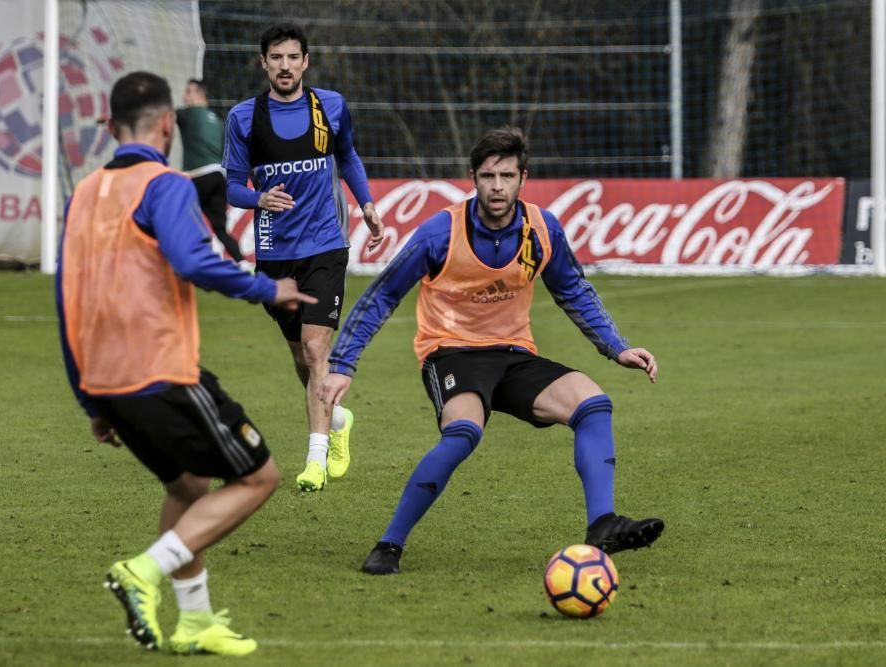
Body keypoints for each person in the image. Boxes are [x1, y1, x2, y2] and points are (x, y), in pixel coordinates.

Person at [319, 127, 665, 575]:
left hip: (514, 355)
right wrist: (343, 364)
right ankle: (389, 545)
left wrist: (616, 348)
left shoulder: (542, 229)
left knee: (593, 404)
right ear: (472, 178)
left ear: (524, 177)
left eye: (506, 175)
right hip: (451, 355)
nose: (496, 186)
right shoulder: (441, 231)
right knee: (463, 433)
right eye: (487, 176)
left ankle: (602, 525)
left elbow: (574, 291)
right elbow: (382, 295)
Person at [56, 71, 315, 654]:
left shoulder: (83, 193)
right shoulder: (164, 184)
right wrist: (266, 290)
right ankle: (144, 571)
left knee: (189, 485)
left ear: (109, 126)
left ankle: (193, 621)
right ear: (168, 124)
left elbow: (63, 299)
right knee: (259, 476)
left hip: (107, 380)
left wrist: (89, 400)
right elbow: (193, 261)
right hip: (162, 371)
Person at [223, 22, 384, 492]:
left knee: (317, 349)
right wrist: (259, 200)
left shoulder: (329, 106)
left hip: (326, 246)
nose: (285, 65)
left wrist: (368, 203)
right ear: (264, 64)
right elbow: (233, 185)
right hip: (275, 254)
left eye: (293, 57)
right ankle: (338, 422)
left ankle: (315, 458)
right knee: (301, 356)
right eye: (276, 58)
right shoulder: (243, 118)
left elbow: (348, 157)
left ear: (306, 61)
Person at [175, 78, 247, 268]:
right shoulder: (218, 122)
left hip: (200, 176)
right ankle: (242, 264)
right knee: (220, 229)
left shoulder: (188, 114)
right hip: (220, 177)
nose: (184, 96)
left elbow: (156, 117)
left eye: (188, 91)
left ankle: (185, 263)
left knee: (176, 216)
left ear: (199, 94)